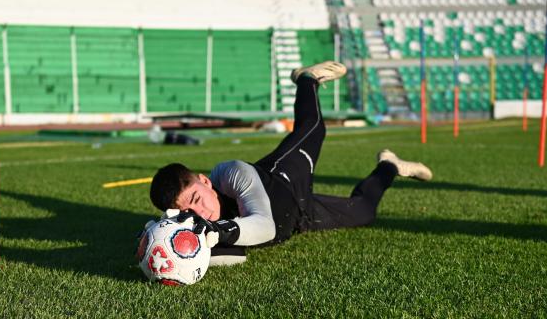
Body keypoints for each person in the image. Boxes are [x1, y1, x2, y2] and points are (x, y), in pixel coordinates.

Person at [149, 61, 432, 265]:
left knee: (314, 126)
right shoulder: (194, 227)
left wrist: (218, 232)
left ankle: (307, 79)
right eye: (186, 210)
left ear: (205, 181)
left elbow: (265, 226)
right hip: (298, 216)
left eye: (197, 198)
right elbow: (232, 255)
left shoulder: (231, 172)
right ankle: (390, 165)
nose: (199, 212)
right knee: (364, 212)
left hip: (284, 176)